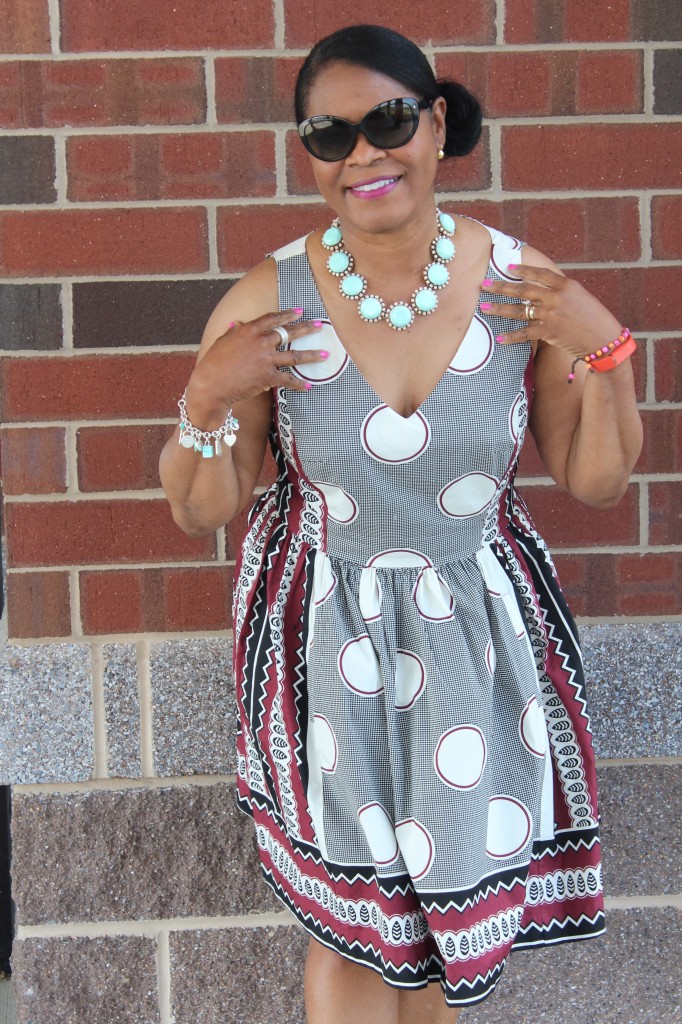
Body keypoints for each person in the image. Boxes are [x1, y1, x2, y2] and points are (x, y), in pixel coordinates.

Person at [159, 24, 643, 1023]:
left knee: (437, 934)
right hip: (325, 639)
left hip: (474, 639)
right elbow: (200, 501)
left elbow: (596, 478)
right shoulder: (269, 301)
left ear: (433, 124)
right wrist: (207, 394)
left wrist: (606, 353)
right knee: (353, 929)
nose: (363, 156)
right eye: (329, 136)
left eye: (386, 121)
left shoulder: (518, 288)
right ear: (309, 152)